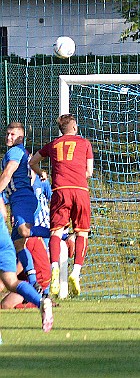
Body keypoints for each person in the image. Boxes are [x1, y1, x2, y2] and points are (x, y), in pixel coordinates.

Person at [29, 114, 94, 298]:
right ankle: (76, 273)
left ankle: (54, 267)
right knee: (81, 232)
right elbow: (88, 172)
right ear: (74, 128)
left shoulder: (53, 144)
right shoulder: (85, 143)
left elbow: (32, 162)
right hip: (80, 190)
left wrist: (42, 172)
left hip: (60, 191)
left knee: (56, 232)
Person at [0, 122, 49, 292]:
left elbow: (7, 175)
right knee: (19, 244)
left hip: (22, 198)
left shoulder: (15, 151)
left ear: (20, 137)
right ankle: (35, 283)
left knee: (24, 231)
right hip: (19, 199)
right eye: (7, 134)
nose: (8, 137)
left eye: (12, 135)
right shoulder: (22, 152)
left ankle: (61, 234)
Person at [0, 195, 53, 332]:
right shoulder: (22, 234)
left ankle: (38, 300)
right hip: (3, 240)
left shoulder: (24, 237)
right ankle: (42, 302)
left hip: (36, 283)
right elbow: (3, 214)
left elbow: (21, 266)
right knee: (11, 283)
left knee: (5, 304)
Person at [0, 236, 51, 309]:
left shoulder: (27, 238)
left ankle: (40, 302)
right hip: (28, 278)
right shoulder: (22, 235)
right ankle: (41, 299)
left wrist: (4, 280)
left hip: (37, 280)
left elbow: (21, 264)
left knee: (6, 305)